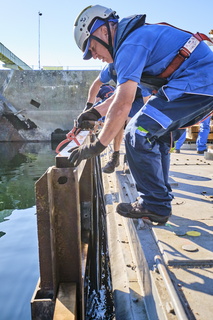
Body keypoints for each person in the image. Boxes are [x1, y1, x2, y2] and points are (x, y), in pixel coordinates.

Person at [70, 5, 213, 224]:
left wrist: (97, 145)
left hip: (197, 82)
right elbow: (124, 95)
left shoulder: (130, 44)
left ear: (102, 31)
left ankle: (155, 204)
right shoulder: (135, 44)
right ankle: (159, 196)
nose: (94, 55)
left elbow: (122, 104)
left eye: (92, 48)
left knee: (136, 132)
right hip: (197, 84)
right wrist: (94, 112)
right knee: (156, 133)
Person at [86, 63, 151, 173]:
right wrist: (88, 107)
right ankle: (115, 157)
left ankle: (130, 160)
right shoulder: (110, 67)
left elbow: (146, 99)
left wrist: (147, 117)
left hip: (140, 95)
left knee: (132, 127)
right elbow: (96, 84)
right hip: (123, 92)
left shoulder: (136, 65)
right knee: (117, 122)